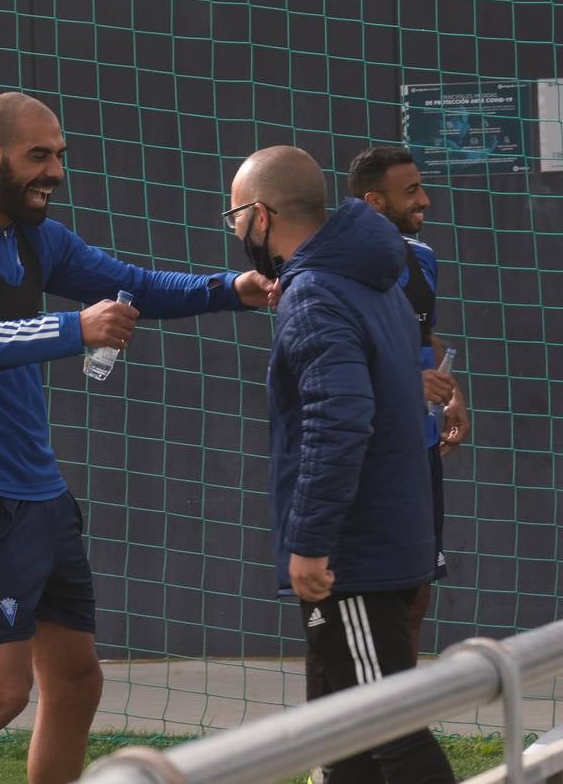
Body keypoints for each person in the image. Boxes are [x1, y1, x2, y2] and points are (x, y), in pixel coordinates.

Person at [0, 91, 276, 784]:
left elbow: (134, 287)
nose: (55, 171)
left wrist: (231, 288)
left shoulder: (35, 237)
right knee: (3, 690)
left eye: (60, 156)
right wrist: (75, 330)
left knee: (75, 681)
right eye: (39, 155)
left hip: (42, 496)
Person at [229, 145, 454, 783]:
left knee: (388, 732)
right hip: (381, 544)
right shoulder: (370, 273)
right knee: (339, 735)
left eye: (237, 217)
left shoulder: (316, 296)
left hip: (354, 558)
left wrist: (311, 543)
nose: (238, 232)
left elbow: (340, 423)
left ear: (262, 216)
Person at [347, 145, 470, 658]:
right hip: (372, 450)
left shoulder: (421, 257)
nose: (426, 198)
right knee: (374, 592)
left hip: (420, 445)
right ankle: (360, 714)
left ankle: (403, 711)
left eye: (421, 186)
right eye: (412, 191)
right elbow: (342, 357)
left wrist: (454, 390)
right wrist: (406, 384)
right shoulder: (342, 269)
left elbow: (426, 337)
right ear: (374, 201)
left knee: (418, 589)